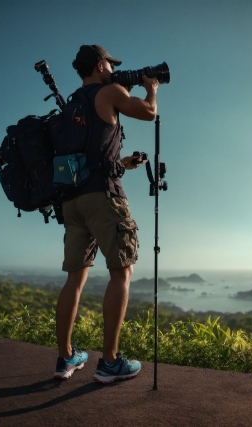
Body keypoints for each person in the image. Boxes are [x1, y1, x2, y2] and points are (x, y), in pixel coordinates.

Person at [53, 44, 158, 383]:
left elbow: (91, 158)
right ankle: (110, 362)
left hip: (72, 200)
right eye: (111, 65)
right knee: (121, 272)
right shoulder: (110, 91)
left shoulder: (73, 103)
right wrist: (151, 89)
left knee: (75, 279)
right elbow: (148, 113)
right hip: (103, 198)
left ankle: (66, 357)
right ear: (100, 65)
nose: (114, 70)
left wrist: (122, 166)